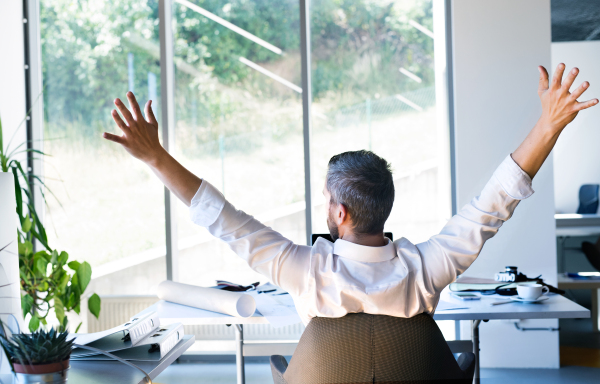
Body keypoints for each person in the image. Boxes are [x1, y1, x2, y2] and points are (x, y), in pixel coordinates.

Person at [103, 64, 597, 324]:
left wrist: (155, 157)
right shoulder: (429, 269)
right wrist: (548, 124)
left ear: (337, 211)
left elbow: (221, 218)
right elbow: (495, 203)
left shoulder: (303, 271)